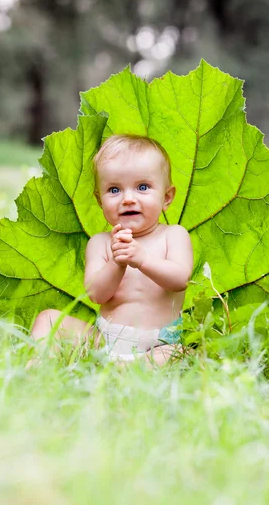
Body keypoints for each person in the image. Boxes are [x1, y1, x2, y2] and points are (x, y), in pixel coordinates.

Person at [29, 134, 194, 367]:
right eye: (114, 190)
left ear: (166, 197)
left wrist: (142, 259)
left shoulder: (174, 235)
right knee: (48, 319)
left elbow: (179, 280)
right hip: (104, 341)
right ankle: (34, 370)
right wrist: (117, 263)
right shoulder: (100, 243)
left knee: (182, 353)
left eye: (142, 187)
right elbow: (97, 294)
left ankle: (125, 369)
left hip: (156, 345)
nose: (127, 199)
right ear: (99, 200)